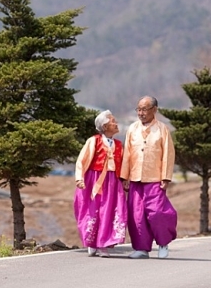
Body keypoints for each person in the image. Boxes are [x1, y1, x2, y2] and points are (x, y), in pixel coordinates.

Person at [120, 96, 177, 259]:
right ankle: (141, 248)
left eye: (144, 109)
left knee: (158, 213)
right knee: (136, 215)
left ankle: (163, 243)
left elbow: (168, 154)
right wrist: (125, 176)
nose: (141, 113)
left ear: (154, 110)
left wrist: (165, 177)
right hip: (135, 178)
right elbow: (127, 154)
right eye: (138, 109)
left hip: (155, 178)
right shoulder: (132, 129)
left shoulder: (162, 129)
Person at [74, 110, 127, 258]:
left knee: (110, 211)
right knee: (92, 210)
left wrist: (125, 180)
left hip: (112, 182)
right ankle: (92, 242)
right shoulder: (94, 141)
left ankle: (104, 244)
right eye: (112, 121)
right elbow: (82, 160)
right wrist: (80, 178)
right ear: (104, 126)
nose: (116, 123)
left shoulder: (118, 144)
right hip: (94, 180)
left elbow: (122, 164)